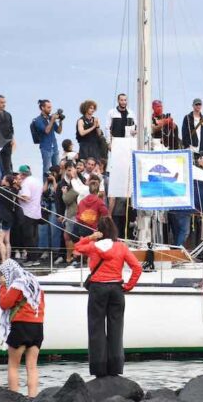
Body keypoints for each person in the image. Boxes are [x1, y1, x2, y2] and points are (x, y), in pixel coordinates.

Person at [74, 216, 142, 377]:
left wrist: (91, 237)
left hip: (98, 288)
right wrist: (128, 286)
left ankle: (99, 367)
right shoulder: (122, 247)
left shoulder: (93, 246)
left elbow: (77, 247)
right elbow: (137, 268)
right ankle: (115, 367)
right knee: (116, 328)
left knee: (96, 328)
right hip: (116, 288)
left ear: (99, 231)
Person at [0, 259, 44, 397]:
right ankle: (33, 397)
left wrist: (3, 286)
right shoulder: (34, 283)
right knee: (32, 366)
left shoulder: (17, 284)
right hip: (37, 327)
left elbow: (4, 304)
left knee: (13, 365)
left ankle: (14, 398)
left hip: (20, 327)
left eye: (0, 274)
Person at [15, 165, 42, 264]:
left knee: (28, 237)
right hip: (36, 212)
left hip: (27, 213)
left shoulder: (26, 183)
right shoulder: (37, 181)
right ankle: (35, 258)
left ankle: (32, 259)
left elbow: (26, 197)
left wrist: (17, 195)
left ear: (22, 174)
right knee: (34, 236)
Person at [31, 99, 63, 178]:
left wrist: (61, 121)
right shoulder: (38, 120)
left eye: (50, 107)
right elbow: (46, 131)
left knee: (57, 169)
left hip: (54, 147)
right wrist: (52, 120)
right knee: (47, 170)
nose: (50, 109)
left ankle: (56, 186)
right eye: (48, 107)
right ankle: (46, 189)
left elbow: (59, 131)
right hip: (46, 148)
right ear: (42, 108)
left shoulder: (50, 118)